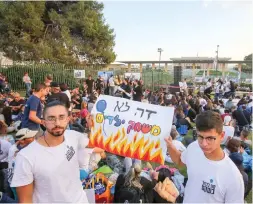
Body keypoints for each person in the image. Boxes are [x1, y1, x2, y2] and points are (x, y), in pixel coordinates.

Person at [11, 100, 92, 202]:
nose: (57, 123)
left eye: (61, 117)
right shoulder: (26, 156)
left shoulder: (74, 136)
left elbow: (95, 141)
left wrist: (92, 125)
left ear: (67, 119)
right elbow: (25, 200)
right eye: (51, 118)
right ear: (43, 122)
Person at [165, 111, 244, 203]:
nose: (204, 144)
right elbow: (179, 160)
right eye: (200, 137)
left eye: (210, 138)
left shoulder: (233, 177)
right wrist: (170, 146)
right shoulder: (194, 147)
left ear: (222, 136)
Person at [8, 128, 38, 201]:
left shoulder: (13, 148)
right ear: (22, 140)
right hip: (20, 184)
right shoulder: (23, 154)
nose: (34, 138)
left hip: (14, 181)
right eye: (31, 137)